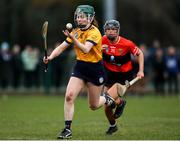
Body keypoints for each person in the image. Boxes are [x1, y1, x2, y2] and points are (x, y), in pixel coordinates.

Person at [43, 5, 115, 139]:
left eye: (82, 16)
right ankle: (67, 129)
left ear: (90, 18)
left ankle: (108, 99)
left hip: (95, 69)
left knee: (93, 106)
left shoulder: (95, 32)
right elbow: (62, 47)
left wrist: (73, 38)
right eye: (78, 16)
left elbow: (86, 49)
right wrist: (50, 57)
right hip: (80, 67)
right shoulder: (75, 32)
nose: (79, 19)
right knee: (69, 96)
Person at [102, 20, 144, 134]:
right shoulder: (102, 40)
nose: (110, 32)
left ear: (118, 31)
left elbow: (140, 53)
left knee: (106, 99)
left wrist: (140, 70)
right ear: (105, 31)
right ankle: (113, 125)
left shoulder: (127, 43)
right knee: (106, 107)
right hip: (109, 74)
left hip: (124, 76)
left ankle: (119, 102)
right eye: (108, 30)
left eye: (113, 30)